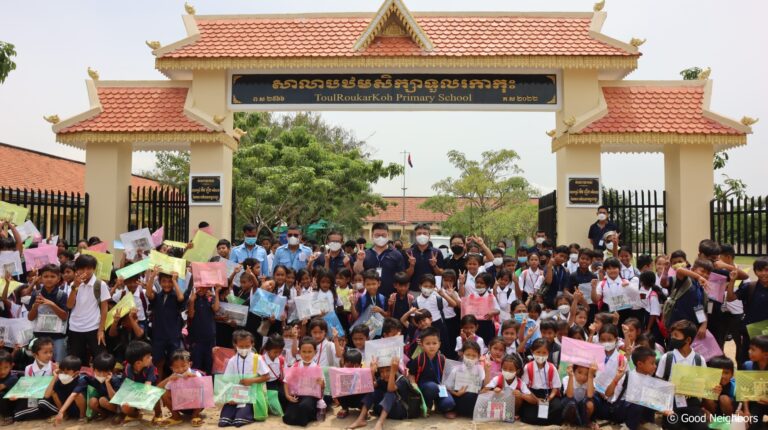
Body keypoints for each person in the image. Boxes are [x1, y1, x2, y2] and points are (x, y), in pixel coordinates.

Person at [656, 320, 715, 430]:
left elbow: (705, 384)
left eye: (676, 335)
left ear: (688, 340)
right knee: (674, 425)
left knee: (701, 427)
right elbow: (659, 383)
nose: (672, 338)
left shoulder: (699, 360)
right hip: (672, 403)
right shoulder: (667, 358)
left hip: (692, 402)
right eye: (672, 335)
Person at [219, 330, 270, 427]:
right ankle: (236, 411)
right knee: (223, 422)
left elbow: (267, 376)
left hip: (251, 395)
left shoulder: (257, 359)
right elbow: (227, 381)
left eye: (247, 346)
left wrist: (251, 380)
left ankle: (244, 413)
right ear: (235, 345)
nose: (244, 349)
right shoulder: (232, 361)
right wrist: (229, 397)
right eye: (241, 346)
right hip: (235, 394)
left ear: (252, 344)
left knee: (239, 421)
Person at [726, 257, 768, 369]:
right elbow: (730, 298)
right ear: (755, 271)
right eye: (760, 270)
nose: (763, 273)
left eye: (766, 270)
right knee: (746, 361)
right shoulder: (750, 287)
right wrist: (732, 280)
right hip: (750, 333)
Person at [144, 269, 186, 381]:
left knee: (175, 363)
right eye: (164, 281)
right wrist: (152, 276)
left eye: (169, 282)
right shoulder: (157, 296)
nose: (167, 284)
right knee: (158, 362)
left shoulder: (176, 295)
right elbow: (148, 293)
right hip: (158, 336)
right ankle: (159, 385)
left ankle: (175, 387)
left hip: (173, 336)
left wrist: (175, 280)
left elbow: (181, 298)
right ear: (160, 282)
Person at [407, 327, 455, 416]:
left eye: (434, 343)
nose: (431, 346)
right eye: (428, 343)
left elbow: (448, 375)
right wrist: (414, 385)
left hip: (440, 387)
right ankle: (426, 405)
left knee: (449, 404)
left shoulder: (442, 358)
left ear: (439, 344)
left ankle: (439, 406)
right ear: (422, 345)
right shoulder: (418, 359)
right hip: (425, 388)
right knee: (432, 387)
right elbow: (411, 375)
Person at [26, 264, 69, 362]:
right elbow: (30, 317)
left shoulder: (62, 295)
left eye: (52, 276)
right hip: (40, 336)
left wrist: (52, 304)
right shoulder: (36, 294)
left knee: (59, 363)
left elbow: (64, 317)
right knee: (40, 362)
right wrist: (35, 307)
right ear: (40, 278)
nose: (49, 279)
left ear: (58, 279)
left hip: (58, 337)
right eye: (45, 276)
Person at [353, 223, 406, 297]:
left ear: (388, 235)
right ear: (372, 236)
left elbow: (401, 276)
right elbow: (357, 271)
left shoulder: (396, 254)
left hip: (391, 295)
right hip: (369, 295)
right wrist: (360, 260)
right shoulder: (365, 253)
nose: (380, 237)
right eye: (377, 235)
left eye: (383, 235)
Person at [282, 337, 325, 427]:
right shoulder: (296, 365)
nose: (307, 355)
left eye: (310, 352)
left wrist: (321, 383)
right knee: (288, 418)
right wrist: (287, 395)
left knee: (305, 406)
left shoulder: (317, 368)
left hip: (311, 396)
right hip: (297, 395)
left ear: (315, 352)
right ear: (299, 352)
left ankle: (308, 415)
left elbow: (322, 387)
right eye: (304, 352)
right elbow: (286, 381)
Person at [157, 350, 205, 427]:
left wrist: (194, 378)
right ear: (171, 368)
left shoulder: (196, 373)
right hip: (181, 405)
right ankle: (176, 416)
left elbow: (204, 387)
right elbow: (165, 390)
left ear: (190, 364)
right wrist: (170, 379)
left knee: (202, 391)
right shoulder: (174, 377)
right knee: (164, 393)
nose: (180, 369)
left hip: (196, 406)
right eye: (176, 367)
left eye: (183, 366)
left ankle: (195, 416)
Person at [520, 338, 562, 425]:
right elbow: (525, 388)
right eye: (538, 352)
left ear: (548, 353)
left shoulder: (552, 367)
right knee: (529, 415)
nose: (541, 355)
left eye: (544, 353)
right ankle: (544, 420)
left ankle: (544, 419)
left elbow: (555, 388)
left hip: (548, 394)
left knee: (558, 407)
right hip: (532, 393)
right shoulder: (528, 367)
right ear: (532, 352)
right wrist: (536, 400)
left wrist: (549, 398)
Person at [122, 340, 162, 425]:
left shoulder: (151, 367)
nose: (151, 358)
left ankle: (158, 415)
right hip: (134, 390)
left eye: (150, 355)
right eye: (148, 357)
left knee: (155, 394)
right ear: (138, 363)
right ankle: (135, 414)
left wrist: (143, 397)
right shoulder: (128, 368)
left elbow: (148, 386)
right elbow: (129, 386)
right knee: (125, 407)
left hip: (148, 389)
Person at [187, 282, 222, 375]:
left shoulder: (210, 297)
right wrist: (191, 301)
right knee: (196, 365)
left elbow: (216, 308)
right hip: (196, 339)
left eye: (204, 287)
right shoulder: (192, 299)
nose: (201, 289)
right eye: (199, 286)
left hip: (210, 339)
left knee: (209, 364)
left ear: (208, 287)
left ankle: (208, 386)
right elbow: (191, 315)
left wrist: (217, 293)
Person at [445, 341, 485, 418]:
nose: (470, 358)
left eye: (474, 356)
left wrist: (487, 369)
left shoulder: (480, 369)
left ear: (478, 356)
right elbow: (447, 386)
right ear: (462, 354)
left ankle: (469, 412)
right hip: (458, 396)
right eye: (468, 355)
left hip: (473, 396)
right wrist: (457, 393)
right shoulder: (456, 369)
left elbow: (484, 385)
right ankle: (456, 410)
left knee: (473, 396)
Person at [404, 224, 444, 292]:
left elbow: (441, 273)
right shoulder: (408, 253)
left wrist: (434, 266)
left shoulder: (437, 252)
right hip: (414, 290)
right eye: (419, 233)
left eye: (425, 233)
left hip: (432, 290)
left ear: (429, 236)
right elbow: (406, 276)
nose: (422, 236)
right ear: (415, 236)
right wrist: (411, 266)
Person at [85, 352, 122, 423]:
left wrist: (107, 383)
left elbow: (116, 399)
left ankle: (119, 414)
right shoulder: (94, 379)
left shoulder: (115, 380)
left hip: (117, 404)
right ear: (94, 369)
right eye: (98, 371)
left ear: (111, 371)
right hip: (103, 403)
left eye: (105, 371)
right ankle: (104, 413)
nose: (101, 374)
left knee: (102, 400)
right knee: (92, 401)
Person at [561, 362, 597, 428]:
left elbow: (590, 395)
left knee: (590, 404)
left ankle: (585, 421)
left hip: (581, 407)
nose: (583, 377)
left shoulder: (590, 380)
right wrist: (571, 376)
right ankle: (571, 422)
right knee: (572, 404)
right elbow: (569, 395)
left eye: (586, 374)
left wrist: (590, 376)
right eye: (579, 372)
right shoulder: (567, 378)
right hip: (570, 405)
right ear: (574, 371)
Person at [0, 350, 19, 425]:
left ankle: (9, 417)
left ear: (11, 366)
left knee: (1, 394)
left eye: (6, 367)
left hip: (12, 405)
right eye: (0, 368)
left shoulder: (13, 378)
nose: (2, 371)